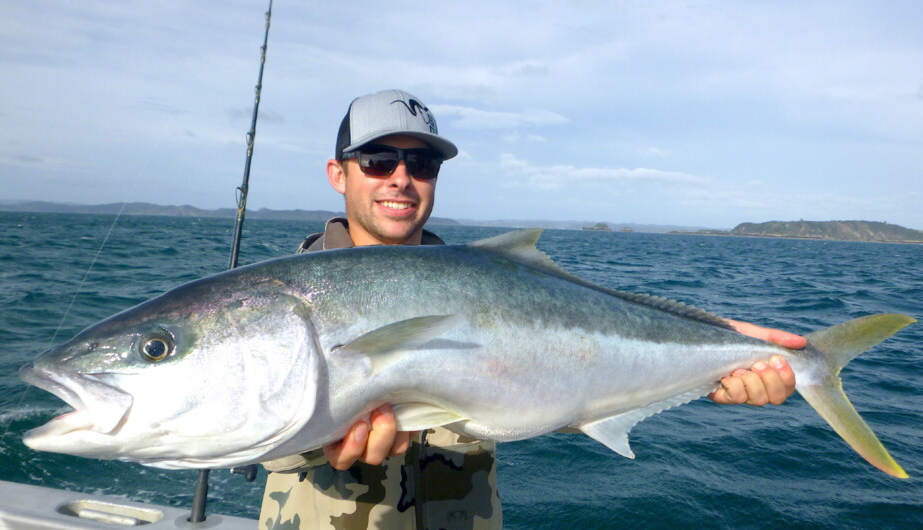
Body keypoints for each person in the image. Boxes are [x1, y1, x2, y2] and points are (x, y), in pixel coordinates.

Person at [258, 89, 802, 529]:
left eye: (420, 163)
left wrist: (714, 363)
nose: (401, 178)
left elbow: (553, 390)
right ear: (338, 174)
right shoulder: (278, 301)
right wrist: (316, 443)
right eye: (378, 161)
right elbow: (248, 426)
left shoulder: (493, 286)